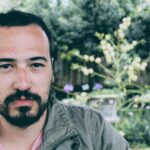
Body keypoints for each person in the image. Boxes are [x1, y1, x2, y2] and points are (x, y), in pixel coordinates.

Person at [0, 10, 129, 150]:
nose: (23, 84)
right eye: (5, 66)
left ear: (52, 70)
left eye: (36, 65)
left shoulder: (93, 131)